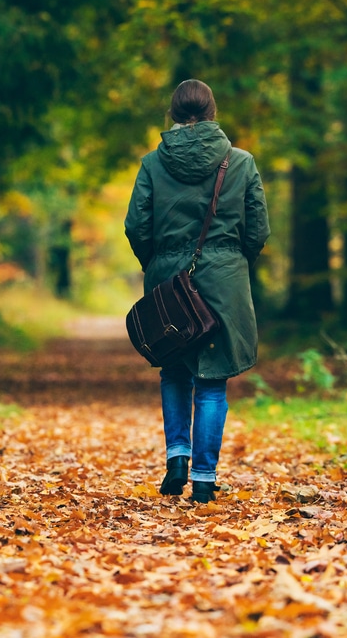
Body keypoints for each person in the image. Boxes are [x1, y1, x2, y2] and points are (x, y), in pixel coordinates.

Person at [124, 79, 270, 503]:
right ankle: (204, 480)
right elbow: (258, 228)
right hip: (225, 279)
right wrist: (235, 263)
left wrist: (157, 263)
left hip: (167, 277)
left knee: (174, 369)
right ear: (213, 112)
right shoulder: (241, 162)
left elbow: (136, 225)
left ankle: (177, 458)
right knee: (212, 381)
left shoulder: (153, 163)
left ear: (172, 114)